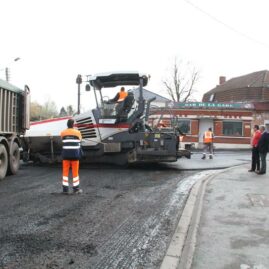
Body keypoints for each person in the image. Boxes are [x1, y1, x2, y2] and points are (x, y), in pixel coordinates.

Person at [60, 118, 83, 194]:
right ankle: (76, 189)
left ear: (67, 124)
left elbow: (62, 140)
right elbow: (80, 141)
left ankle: (65, 190)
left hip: (66, 155)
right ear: (73, 125)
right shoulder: (78, 132)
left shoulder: (63, 132)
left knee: (65, 173)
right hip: (75, 156)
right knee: (75, 173)